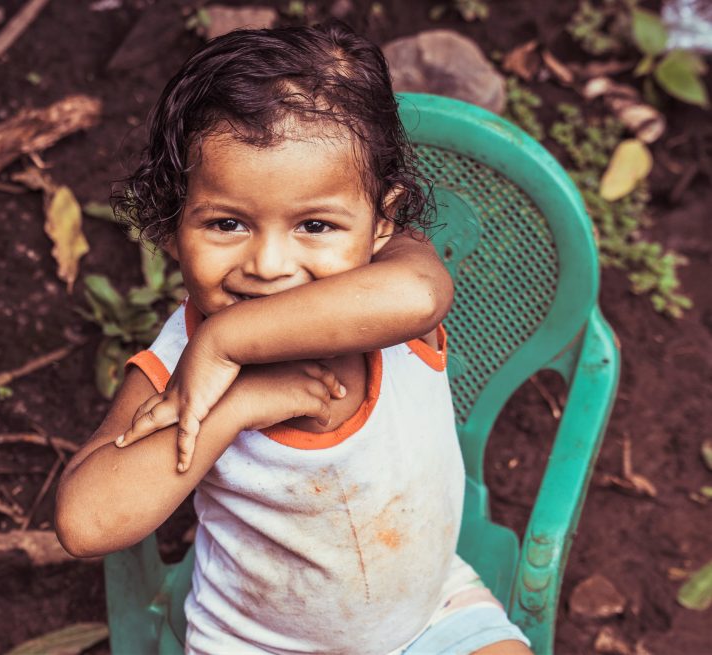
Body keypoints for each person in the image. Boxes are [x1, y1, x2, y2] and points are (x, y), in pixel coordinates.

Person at [55, 22, 532, 655]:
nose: (270, 264)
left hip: (432, 611)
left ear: (382, 222)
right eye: (227, 223)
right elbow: (85, 523)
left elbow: (422, 298)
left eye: (315, 224)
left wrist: (227, 342)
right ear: (173, 229)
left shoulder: (395, 274)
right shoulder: (177, 365)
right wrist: (235, 406)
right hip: (257, 642)